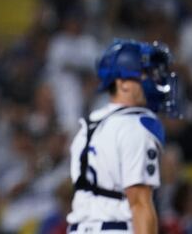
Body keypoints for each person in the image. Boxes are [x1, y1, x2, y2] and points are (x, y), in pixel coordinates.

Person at [67, 39, 182, 234]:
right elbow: (139, 203)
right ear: (123, 84)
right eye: (145, 74)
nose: (154, 80)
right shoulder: (136, 126)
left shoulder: (88, 125)